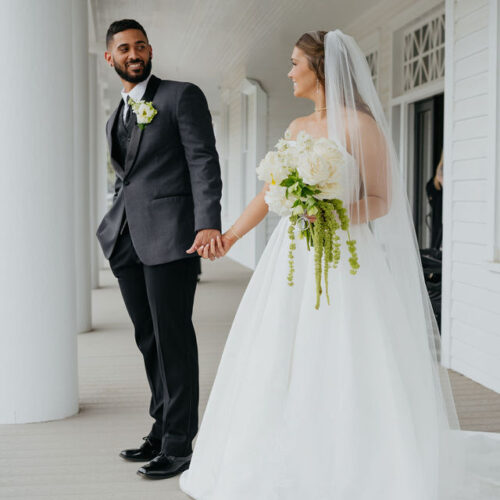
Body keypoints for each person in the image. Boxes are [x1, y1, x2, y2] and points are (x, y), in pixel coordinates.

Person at [179, 30, 500, 499]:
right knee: (277, 353)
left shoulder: (360, 126)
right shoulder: (295, 129)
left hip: (344, 259)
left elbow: (382, 200)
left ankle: (354, 457)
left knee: (344, 350)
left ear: (319, 68)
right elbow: (269, 196)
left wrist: (329, 213)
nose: (289, 72)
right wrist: (229, 237)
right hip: (290, 258)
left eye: (294, 63)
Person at [96, 19, 222, 479]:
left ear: (150, 50)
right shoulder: (118, 113)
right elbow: (126, 175)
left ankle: (179, 444)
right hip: (127, 241)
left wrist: (207, 222)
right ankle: (160, 425)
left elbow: (202, 161)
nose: (135, 53)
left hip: (171, 237)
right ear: (110, 58)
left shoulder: (179, 96)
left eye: (141, 45)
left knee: (173, 338)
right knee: (148, 338)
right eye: (124, 48)